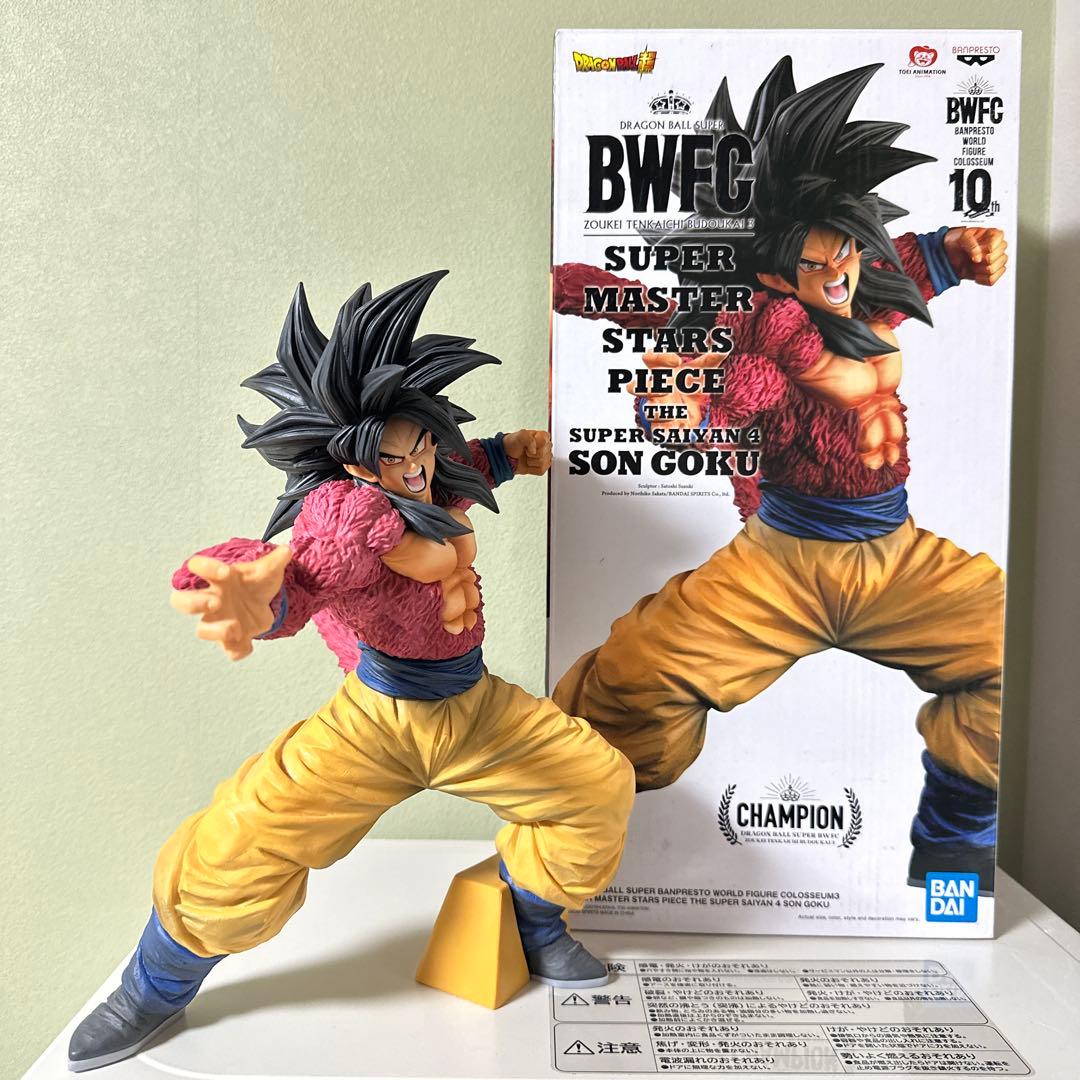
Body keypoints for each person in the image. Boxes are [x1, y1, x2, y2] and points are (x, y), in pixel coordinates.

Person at [68, 271, 635, 1072]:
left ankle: (534, 922)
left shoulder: (437, 469)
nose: (414, 468)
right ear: (355, 465)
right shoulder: (348, 520)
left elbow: (466, 461)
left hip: (474, 707)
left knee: (595, 786)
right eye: (391, 459)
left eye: (420, 447)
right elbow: (297, 581)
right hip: (376, 722)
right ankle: (151, 987)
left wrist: (513, 452)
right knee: (243, 836)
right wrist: (251, 592)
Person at [551, 60, 1006, 894]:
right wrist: (674, 408)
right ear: (769, 272)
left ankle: (954, 853)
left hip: (897, 556)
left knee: (1011, 656)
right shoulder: (753, 326)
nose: (837, 276)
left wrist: (961, 249)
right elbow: (697, 386)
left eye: (846, 254)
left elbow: (918, 257)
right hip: (781, 563)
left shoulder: (870, 284)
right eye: (813, 265)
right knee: (625, 685)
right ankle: (571, 851)